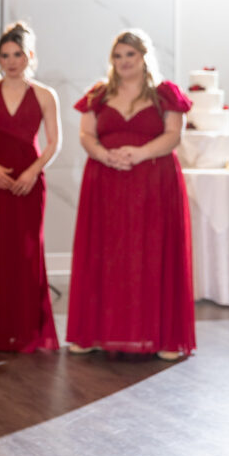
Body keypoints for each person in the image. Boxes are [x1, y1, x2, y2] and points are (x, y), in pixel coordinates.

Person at [66, 30, 195, 361]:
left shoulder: (165, 94)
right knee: (106, 254)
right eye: (118, 56)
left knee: (153, 252)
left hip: (154, 183)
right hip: (105, 181)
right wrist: (102, 154)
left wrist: (138, 153)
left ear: (144, 56)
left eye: (130, 55)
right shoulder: (98, 94)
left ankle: (162, 337)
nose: (123, 61)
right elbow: (85, 133)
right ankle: (94, 333)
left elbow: (173, 135)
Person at [0, 22, 61, 352]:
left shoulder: (46, 95)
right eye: (4, 55)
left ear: (29, 56)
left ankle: (25, 331)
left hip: (29, 183)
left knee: (26, 251)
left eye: (17, 54)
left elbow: (53, 143)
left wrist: (32, 173)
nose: (10, 60)